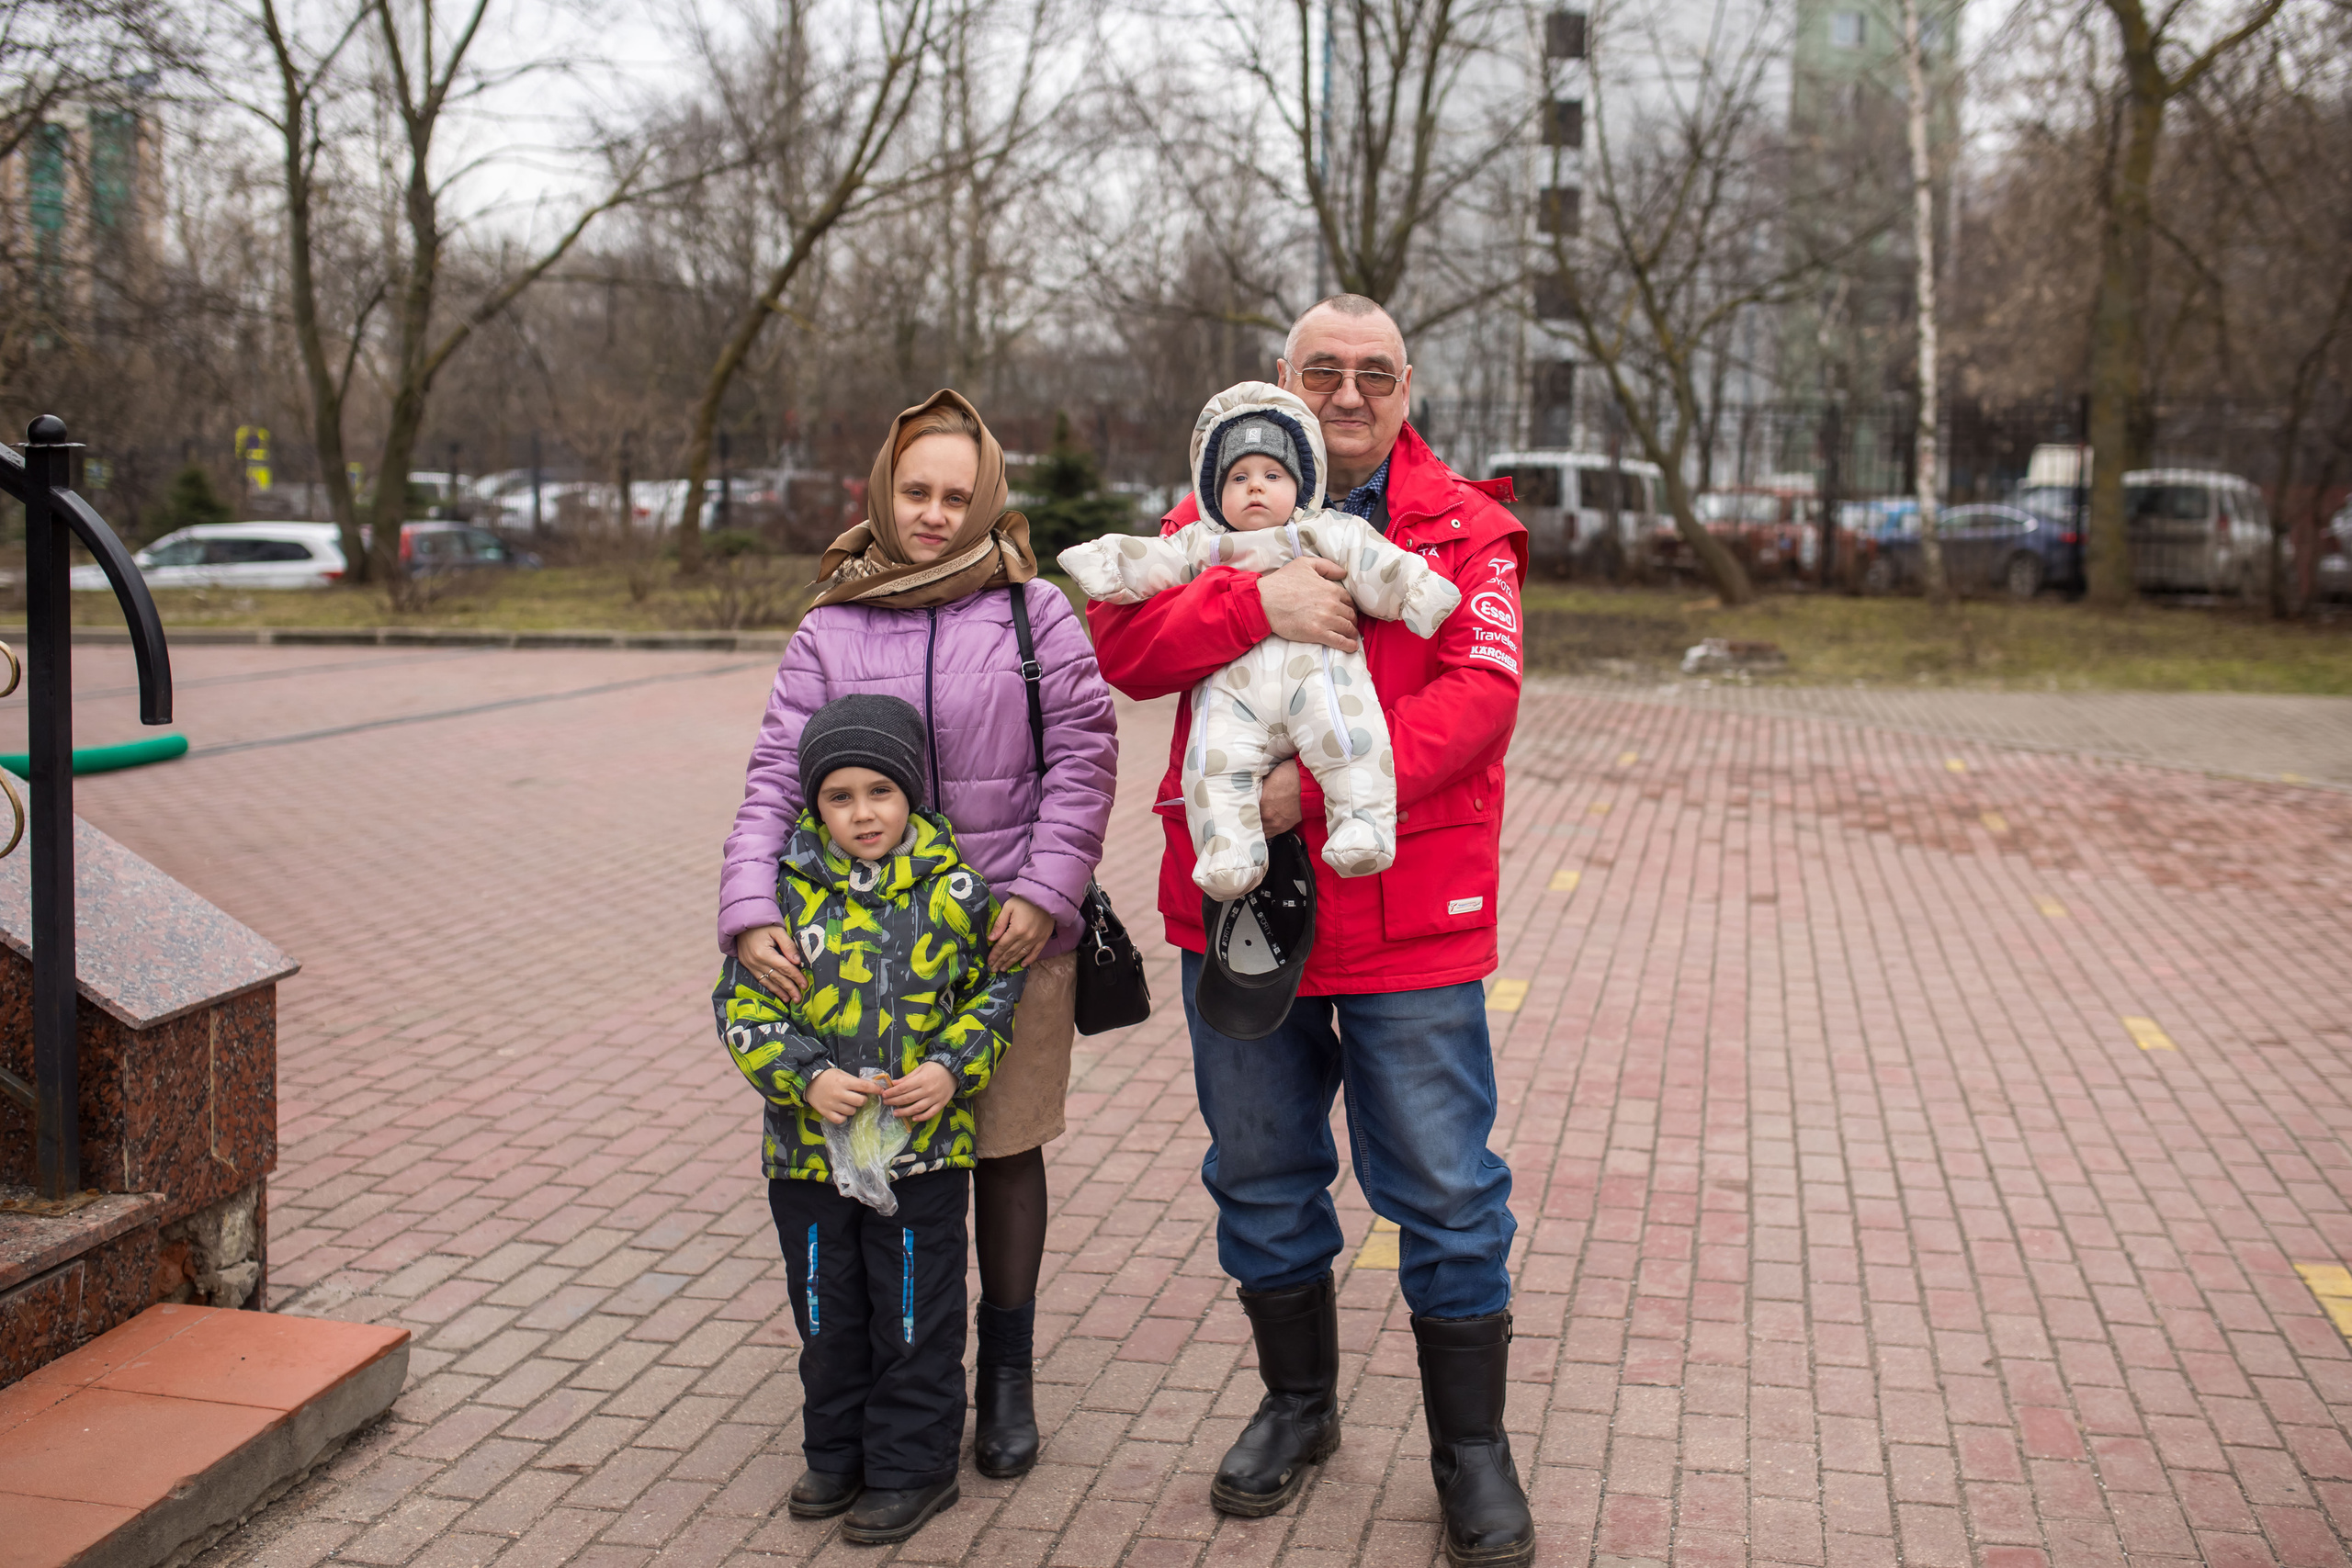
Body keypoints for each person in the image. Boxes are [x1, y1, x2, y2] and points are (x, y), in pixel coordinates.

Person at [1087, 296, 1535, 1567]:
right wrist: (1260, 601)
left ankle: (1472, 1450)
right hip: (1240, 907)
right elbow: (1123, 645)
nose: (1348, 393)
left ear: (1408, 387)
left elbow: (1483, 697)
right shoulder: (1207, 510)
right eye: (1322, 370)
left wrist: (1324, 791)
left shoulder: (1473, 529)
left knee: (1446, 1190)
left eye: (1374, 374)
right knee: (1262, 1173)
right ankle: (1299, 1405)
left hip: (1407, 917)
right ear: (1283, 376)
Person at [718, 389, 1118, 1482]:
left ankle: (1005, 1375)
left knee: (1001, 1150)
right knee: (887, 1156)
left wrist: (1044, 892)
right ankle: (886, 1375)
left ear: (986, 496)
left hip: (996, 943)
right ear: (883, 495)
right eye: (915, 492)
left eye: (956, 495)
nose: (935, 514)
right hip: (852, 954)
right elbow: (771, 779)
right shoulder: (830, 625)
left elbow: (1083, 760)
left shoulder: (1036, 615)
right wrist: (751, 908)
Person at [717, 694, 1022, 1544]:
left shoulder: (958, 889)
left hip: (922, 1154)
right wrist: (804, 1078)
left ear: (912, 795)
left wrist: (949, 1069)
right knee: (827, 1307)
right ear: (814, 805)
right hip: (810, 1160)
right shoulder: (781, 897)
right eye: (839, 796)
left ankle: (913, 1466)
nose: (862, 813)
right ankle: (836, 1451)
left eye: (879, 792)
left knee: (916, 1312)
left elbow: (996, 993)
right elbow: (741, 1009)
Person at [1056, 381, 1459, 899]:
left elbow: (1376, 564)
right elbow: (1152, 565)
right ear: (1214, 488)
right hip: (1233, 697)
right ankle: (1228, 850)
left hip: (1319, 682)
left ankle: (1363, 825)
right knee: (1210, 763)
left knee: (1351, 738)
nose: (1255, 488)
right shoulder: (1201, 541)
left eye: (1272, 475)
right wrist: (1109, 562)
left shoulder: (1326, 531)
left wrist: (1415, 590)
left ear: (1301, 483)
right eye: (1239, 477)